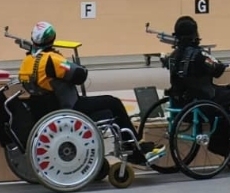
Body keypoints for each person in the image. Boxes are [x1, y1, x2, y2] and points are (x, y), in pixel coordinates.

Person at [18, 21, 165, 165]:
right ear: (52, 38)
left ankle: (130, 147)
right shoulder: (52, 59)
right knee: (113, 103)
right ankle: (135, 147)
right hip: (69, 107)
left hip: (46, 111)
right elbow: (79, 74)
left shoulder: (26, 61)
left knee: (107, 107)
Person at [162, 16, 230, 157]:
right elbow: (218, 70)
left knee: (225, 94)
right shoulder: (199, 55)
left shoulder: (172, 56)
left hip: (181, 104)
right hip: (204, 102)